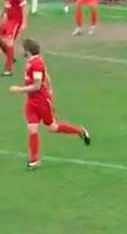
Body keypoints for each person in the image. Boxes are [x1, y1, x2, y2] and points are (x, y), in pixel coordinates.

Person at [8, 39, 91, 169]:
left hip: (41, 101)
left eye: (24, 49)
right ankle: (34, 160)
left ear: (28, 51)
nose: (22, 51)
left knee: (52, 127)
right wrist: (50, 88)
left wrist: (19, 90)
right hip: (31, 102)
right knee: (32, 129)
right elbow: (46, 76)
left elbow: (36, 86)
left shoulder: (36, 64)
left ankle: (80, 131)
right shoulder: (32, 62)